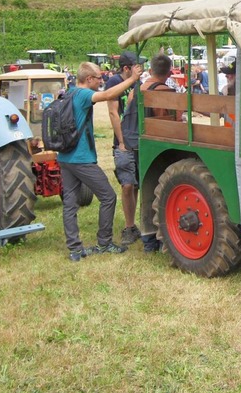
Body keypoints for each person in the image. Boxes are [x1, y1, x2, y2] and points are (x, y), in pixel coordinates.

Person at [60, 61, 142, 261]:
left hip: (65, 157)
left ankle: (75, 248)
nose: (101, 80)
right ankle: (104, 242)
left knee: (70, 203)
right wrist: (132, 79)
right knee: (108, 197)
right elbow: (107, 95)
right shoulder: (83, 94)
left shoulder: (68, 93)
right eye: (98, 78)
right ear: (89, 79)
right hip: (81, 159)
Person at [126, 55, 178, 253]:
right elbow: (174, 122)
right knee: (165, 192)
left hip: (140, 144)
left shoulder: (136, 91)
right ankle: (164, 236)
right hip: (161, 147)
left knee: (147, 188)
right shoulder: (165, 91)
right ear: (169, 71)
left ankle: (148, 239)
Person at [105, 51, 142, 246]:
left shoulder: (138, 83)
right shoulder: (113, 83)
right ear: (127, 68)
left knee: (137, 184)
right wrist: (121, 141)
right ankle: (129, 227)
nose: (140, 69)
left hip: (139, 141)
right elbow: (113, 113)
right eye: (136, 66)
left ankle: (139, 225)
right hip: (124, 143)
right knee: (127, 185)